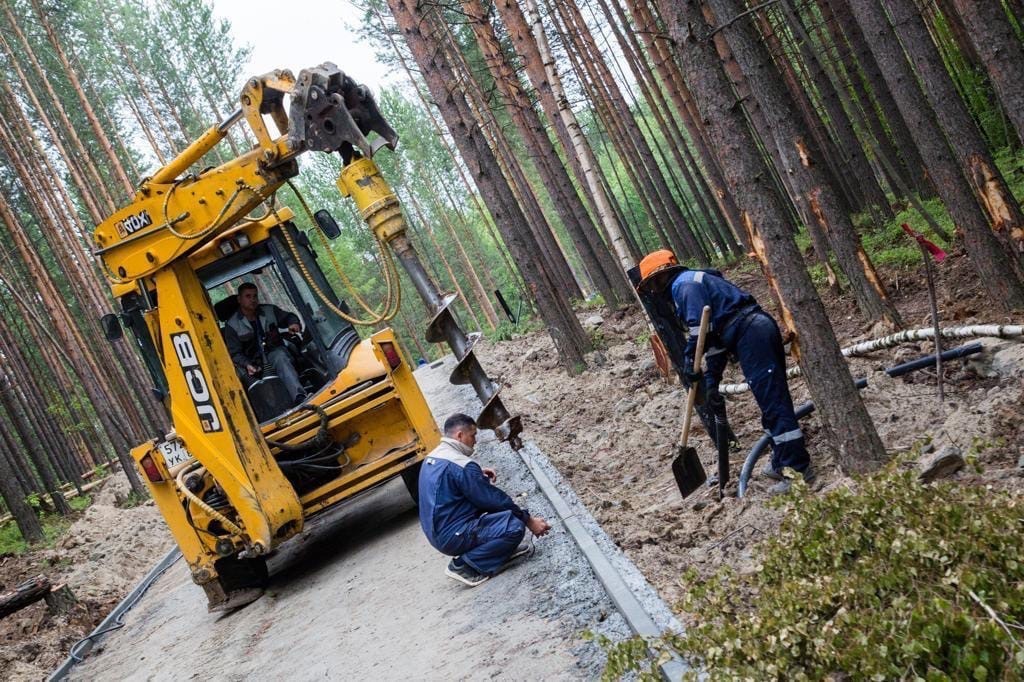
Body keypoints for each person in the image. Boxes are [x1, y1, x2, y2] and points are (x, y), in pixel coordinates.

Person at [636, 250, 813, 494]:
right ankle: (782, 461)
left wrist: (689, 362)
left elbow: (701, 331)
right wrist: (711, 379)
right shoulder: (692, 284)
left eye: (653, 285)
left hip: (752, 332)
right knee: (768, 404)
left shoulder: (684, 286)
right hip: (746, 332)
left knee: (774, 403)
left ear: (659, 278)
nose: (654, 292)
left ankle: (798, 470)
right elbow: (715, 341)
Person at [418, 413, 551, 587]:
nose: (475, 441)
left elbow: (452, 483)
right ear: (459, 435)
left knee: (502, 518)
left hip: (438, 531)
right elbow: (494, 500)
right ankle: (464, 566)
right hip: (452, 535)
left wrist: (477, 475)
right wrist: (528, 520)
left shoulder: (435, 457)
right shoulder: (462, 466)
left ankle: (497, 553)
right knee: (513, 526)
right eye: (473, 435)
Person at [222, 282, 306, 405]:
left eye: (255, 296)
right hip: (253, 364)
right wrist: (247, 364)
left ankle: (299, 397)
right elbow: (234, 353)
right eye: (248, 296)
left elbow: (289, 317)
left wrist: (293, 323)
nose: (253, 300)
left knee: (280, 357)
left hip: (275, 353)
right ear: (239, 299)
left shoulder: (270, 310)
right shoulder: (232, 325)